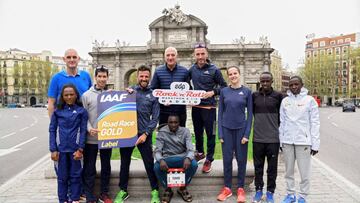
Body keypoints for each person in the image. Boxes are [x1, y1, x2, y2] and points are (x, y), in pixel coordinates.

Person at [114, 65, 160, 203]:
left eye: (146, 76)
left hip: (144, 134)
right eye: (141, 76)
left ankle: (155, 191)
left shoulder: (153, 94)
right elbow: (116, 105)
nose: (144, 79)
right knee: (124, 163)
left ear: (149, 77)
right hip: (128, 133)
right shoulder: (130, 91)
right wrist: (118, 94)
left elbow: (155, 118)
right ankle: (123, 191)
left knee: (149, 163)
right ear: (137, 76)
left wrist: (146, 133)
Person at [279, 76, 320, 203]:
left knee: (304, 172)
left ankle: (302, 196)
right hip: (287, 142)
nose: (293, 87)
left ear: (302, 85)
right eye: (291, 85)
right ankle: (290, 194)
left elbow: (315, 122)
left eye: (296, 84)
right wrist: (281, 141)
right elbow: (282, 122)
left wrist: (315, 144)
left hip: (304, 142)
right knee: (289, 171)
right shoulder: (285, 101)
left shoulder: (310, 100)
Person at [188, 43, 227, 173]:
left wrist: (213, 92)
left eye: (202, 53)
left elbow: (224, 86)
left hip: (210, 108)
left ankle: (209, 159)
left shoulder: (214, 69)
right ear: (194, 55)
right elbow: (183, 85)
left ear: (207, 54)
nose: (200, 56)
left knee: (211, 134)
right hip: (196, 107)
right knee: (198, 133)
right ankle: (200, 153)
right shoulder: (191, 69)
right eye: (198, 54)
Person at [217, 66, 253, 203]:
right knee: (227, 161)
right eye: (230, 74)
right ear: (228, 76)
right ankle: (227, 188)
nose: (233, 76)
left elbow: (250, 115)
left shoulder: (247, 92)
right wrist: (220, 133)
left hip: (241, 130)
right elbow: (220, 114)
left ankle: (240, 189)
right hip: (226, 130)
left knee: (241, 160)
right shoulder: (224, 91)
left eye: (235, 73)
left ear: (239, 74)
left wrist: (247, 134)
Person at [49, 83, 88, 203]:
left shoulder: (82, 111)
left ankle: (75, 199)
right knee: (62, 178)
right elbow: (52, 130)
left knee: (76, 177)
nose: (69, 97)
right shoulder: (57, 111)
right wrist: (53, 149)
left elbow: (83, 131)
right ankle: (63, 200)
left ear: (76, 95)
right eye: (66, 95)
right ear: (62, 96)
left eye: (71, 94)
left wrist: (80, 149)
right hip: (60, 152)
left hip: (75, 151)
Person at [81, 66, 112, 203]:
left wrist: (129, 92)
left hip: (107, 138)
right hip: (91, 138)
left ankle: (104, 193)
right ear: (95, 77)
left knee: (106, 167)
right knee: (89, 168)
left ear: (107, 78)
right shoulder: (86, 95)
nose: (102, 79)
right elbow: (83, 116)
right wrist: (89, 128)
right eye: (99, 76)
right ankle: (89, 194)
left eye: (104, 76)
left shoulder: (111, 94)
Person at [252, 72, 284, 203]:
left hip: (273, 139)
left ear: (272, 81)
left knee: (272, 168)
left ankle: (270, 192)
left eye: (267, 81)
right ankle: (258, 190)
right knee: (258, 167)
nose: (265, 83)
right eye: (262, 81)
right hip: (257, 139)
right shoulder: (254, 96)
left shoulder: (278, 96)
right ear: (260, 81)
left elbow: (282, 116)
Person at [153, 114, 198, 203]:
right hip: (167, 158)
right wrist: (161, 160)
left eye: (175, 122)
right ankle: (168, 189)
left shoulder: (185, 131)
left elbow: (190, 149)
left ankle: (182, 187)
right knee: (156, 167)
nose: (173, 124)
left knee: (194, 164)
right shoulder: (162, 132)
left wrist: (188, 158)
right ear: (167, 123)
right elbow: (157, 151)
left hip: (182, 157)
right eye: (171, 122)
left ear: (179, 123)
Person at [150, 47, 189, 127]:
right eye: (168, 55)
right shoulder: (158, 71)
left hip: (180, 112)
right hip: (164, 112)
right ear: (164, 57)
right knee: (164, 137)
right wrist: (161, 100)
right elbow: (153, 90)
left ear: (176, 56)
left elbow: (189, 89)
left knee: (180, 137)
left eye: (172, 55)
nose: (170, 57)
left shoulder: (184, 71)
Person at [48, 49, 92, 117]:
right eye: (68, 57)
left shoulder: (86, 76)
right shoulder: (56, 78)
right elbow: (51, 102)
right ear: (64, 59)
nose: (72, 60)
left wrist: (107, 92)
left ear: (78, 59)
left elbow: (93, 96)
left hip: (84, 120)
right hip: (64, 122)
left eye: (74, 57)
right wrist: (53, 124)